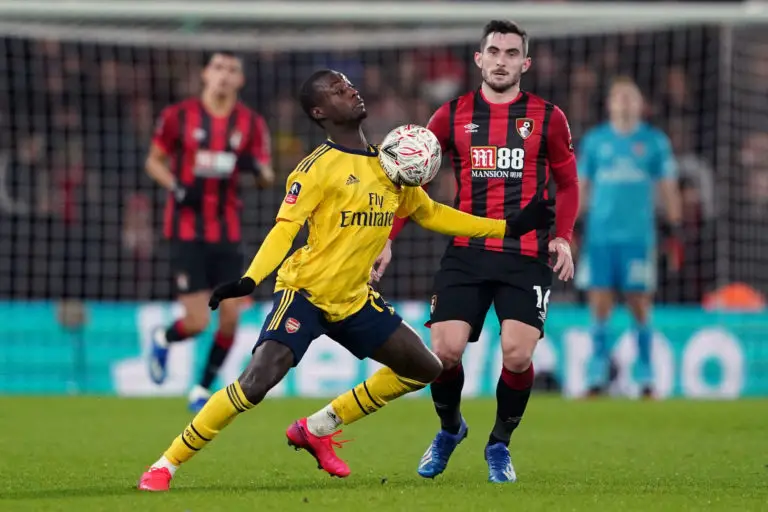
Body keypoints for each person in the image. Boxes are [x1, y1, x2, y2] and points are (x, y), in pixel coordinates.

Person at [137, 69, 554, 492]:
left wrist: (507, 227)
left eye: (349, 85)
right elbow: (285, 229)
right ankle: (165, 464)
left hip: (354, 300)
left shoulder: (390, 164)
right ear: (320, 112)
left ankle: (317, 427)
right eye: (338, 90)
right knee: (256, 381)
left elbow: (431, 213)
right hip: (305, 293)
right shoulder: (316, 167)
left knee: (425, 368)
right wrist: (250, 279)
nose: (350, 91)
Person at [377, 20, 579, 483]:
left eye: (511, 53)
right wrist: (387, 239)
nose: (501, 61)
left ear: (525, 63)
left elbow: (568, 183)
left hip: (525, 254)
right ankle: (450, 429)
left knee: (518, 355)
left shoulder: (548, 117)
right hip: (467, 251)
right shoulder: (450, 115)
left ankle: (499, 444)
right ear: (479, 58)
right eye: (494, 52)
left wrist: (563, 236)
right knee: (444, 353)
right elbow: (411, 182)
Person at [145, 51, 275, 412]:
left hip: (227, 233)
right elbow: (153, 161)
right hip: (186, 231)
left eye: (232, 69)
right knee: (198, 322)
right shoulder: (178, 116)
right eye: (218, 67)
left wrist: (255, 169)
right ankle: (163, 337)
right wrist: (175, 186)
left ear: (240, 80)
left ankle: (201, 388)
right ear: (205, 73)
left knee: (231, 318)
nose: (224, 75)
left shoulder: (251, 123)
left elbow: (267, 175)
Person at [575, 77, 682, 398]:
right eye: (618, 96)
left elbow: (667, 187)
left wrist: (674, 228)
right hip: (600, 237)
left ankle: (647, 376)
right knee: (599, 305)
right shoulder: (595, 141)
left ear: (640, 104)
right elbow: (582, 186)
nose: (624, 102)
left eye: (630, 97)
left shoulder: (654, 142)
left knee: (640, 305)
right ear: (609, 104)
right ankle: (597, 376)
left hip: (638, 238)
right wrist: (572, 226)